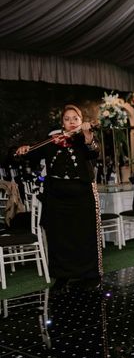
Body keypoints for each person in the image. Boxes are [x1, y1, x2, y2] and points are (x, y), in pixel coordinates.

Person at [16, 104, 102, 285]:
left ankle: (90, 274)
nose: (72, 122)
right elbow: (31, 154)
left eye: (75, 119)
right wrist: (23, 150)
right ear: (62, 122)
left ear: (81, 121)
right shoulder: (53, 139)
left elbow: (94, 153)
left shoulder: (84, 138)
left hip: (82, 194)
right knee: (59, 236)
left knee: (84, 234)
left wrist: (87, 136)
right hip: (57, 195)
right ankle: (62, 275)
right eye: (67, 119)